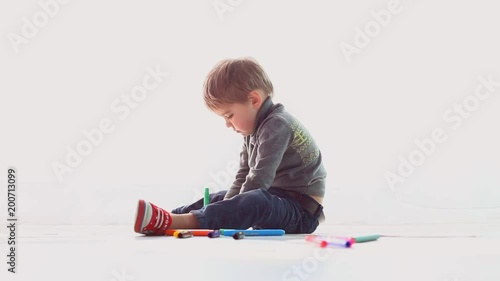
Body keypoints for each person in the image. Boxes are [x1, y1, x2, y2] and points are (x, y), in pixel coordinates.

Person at [134, 57, 327, 235]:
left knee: (253, 200)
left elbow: (259, 179)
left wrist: (233, 210)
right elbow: (244, 174)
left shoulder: (277, 125)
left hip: (300, 212)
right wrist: (228, 205)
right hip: (277, 199)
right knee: (221, 197)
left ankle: (176, 222)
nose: (227, 124)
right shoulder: (254, 130)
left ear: (254, 100)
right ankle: (170, 216)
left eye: (229, 115)